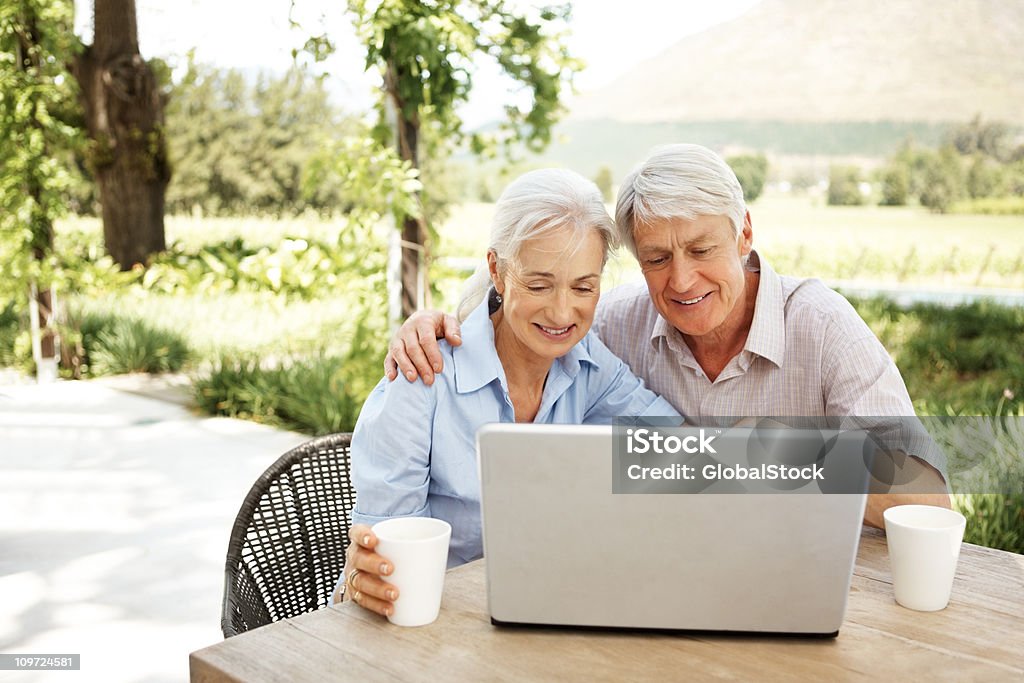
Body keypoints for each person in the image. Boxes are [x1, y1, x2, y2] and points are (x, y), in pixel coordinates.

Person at [385, 144, 951, 532]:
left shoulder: (823, 326)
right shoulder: (611, 326)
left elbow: (927, 501)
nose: (681, 281)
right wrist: (441, 321)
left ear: (745, 233)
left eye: (702, 250)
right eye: (656, 258)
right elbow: (536, 308)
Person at [340, 168, 680, 617]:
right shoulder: (422, 375)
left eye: (584, 287)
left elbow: (679, 452)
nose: (562, 311)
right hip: (425, 624)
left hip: (541, 613)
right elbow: (389, 561)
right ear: (497, 272)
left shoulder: (591, 365)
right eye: (539, 285)